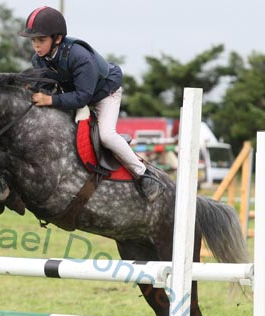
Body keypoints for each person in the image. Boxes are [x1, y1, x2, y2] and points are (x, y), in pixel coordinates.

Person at [19, 6, 163, 202]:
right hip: (77, 95)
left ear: (58, 38)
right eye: (33, 40)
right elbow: (43, 85)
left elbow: (82, 97)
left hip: (104, 94)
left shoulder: (80, 56)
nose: (36, 46)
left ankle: (145, 175)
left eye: (41, 40)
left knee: (106, 135)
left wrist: (50, 100)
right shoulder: (39, 59)